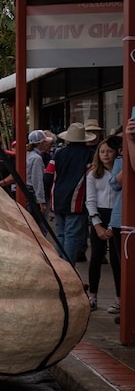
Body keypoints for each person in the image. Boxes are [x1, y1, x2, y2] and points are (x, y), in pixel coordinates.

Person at [46, 122, 95, 267]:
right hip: (77, 201)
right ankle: (67, 269)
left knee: (61, 235)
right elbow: (93, 178)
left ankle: (58, 265)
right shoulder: (89, 155)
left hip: (58, 199)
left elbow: (48, 175)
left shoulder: (59, 153)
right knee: (72, 236)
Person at [85, 139, 120, 311]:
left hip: (117, 214)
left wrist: (114, 226)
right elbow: (90, 200)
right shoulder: (93, 173)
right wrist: (97, 224)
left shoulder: (121, 172)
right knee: (96, 257)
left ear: (116, 152)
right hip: (99, 214)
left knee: (116, 259)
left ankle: (120, 297)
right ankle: (93, 296)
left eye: (109, 151)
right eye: (102, 151)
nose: (105, 155)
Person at [106, 116, 135, 319]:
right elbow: (115, 184)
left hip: (128, 219)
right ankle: (123, 303)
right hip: (119, 218)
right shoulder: (119, 160)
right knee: (118, 263)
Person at [25, 130, 51, 234]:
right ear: (40, 143)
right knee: (39, 227)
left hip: (29, 193)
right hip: (33, 195)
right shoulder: (37, 159)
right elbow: (37, 181)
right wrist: (41, 202)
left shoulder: (28, 155)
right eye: (44, 142)